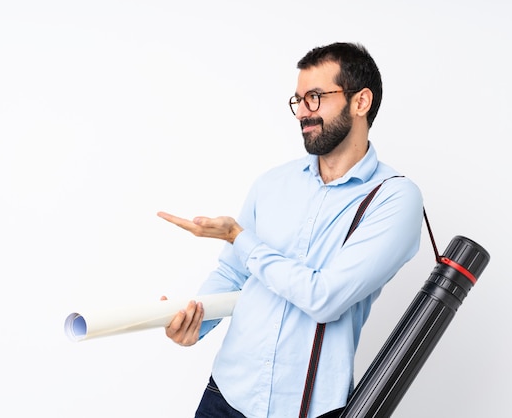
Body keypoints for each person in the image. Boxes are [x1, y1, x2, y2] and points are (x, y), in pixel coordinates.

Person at [157, 42, 423, 418]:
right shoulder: (272, 184)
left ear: (361, 102)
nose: (303, 113)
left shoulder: (394, 198)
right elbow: (233, 273)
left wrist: (239, 237)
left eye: (315, 98)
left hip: (309, 409)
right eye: (298, 100)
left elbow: (325, 299)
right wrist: (194, 322)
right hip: (227, 395)